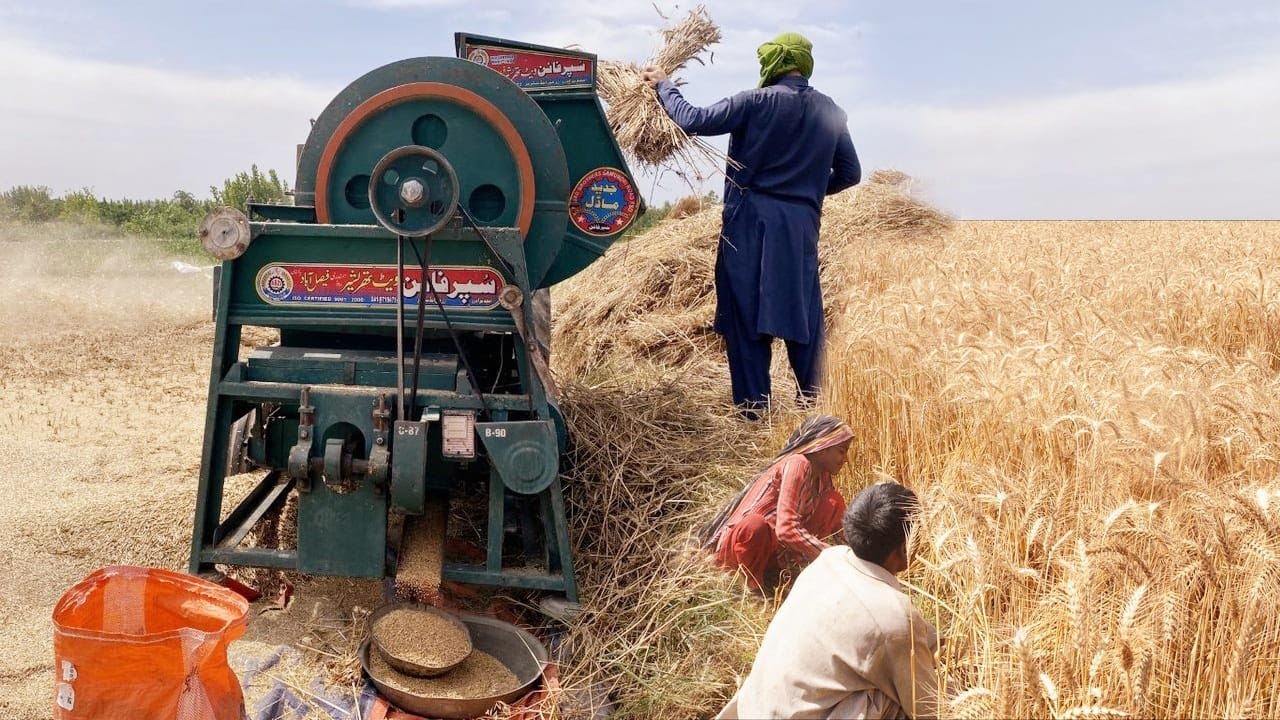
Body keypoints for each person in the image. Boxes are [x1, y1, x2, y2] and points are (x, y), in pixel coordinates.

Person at [643, 33, 861, 417]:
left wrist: (665, 85)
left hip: (749, 221)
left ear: (771, 63)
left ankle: (754, 412)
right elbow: (850, 173)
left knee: (745, 312)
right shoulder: (831, 111)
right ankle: (814, 406)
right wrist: (807, 191)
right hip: (800, 226)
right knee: (802, 310)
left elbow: (692, 119)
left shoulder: (753, 102)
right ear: (804, 63)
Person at [717, 483, 939, 719]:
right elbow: (929, 706)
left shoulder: (829, 559)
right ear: (904, 548)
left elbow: (900, 627)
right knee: (886, 699)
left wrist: (935, 641)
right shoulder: (893, 620)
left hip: (754, 708)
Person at [698, 414, 854, 592]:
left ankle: (787, 567)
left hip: (772, 549)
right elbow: (786, 529)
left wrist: (855, 558)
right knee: (755, 525)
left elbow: (840, 530)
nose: (845, 459)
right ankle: (752, 587)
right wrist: (830, 555)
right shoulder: (797, 464)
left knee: (833, 501)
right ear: (821, 448)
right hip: (743, 550)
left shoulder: (822, 476)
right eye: (842, 451)